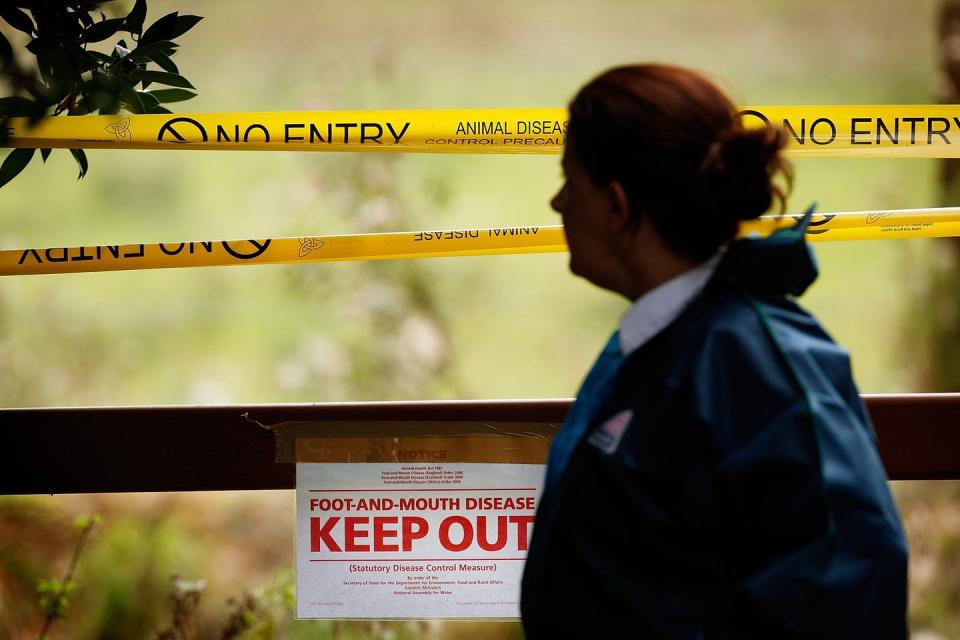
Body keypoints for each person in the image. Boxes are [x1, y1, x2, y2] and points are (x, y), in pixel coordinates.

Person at [520, 64, 908, 639]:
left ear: (617, 206)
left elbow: (848, 572)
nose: (556, 203)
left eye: (568, 180)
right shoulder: (665, 338)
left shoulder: (753, 358)